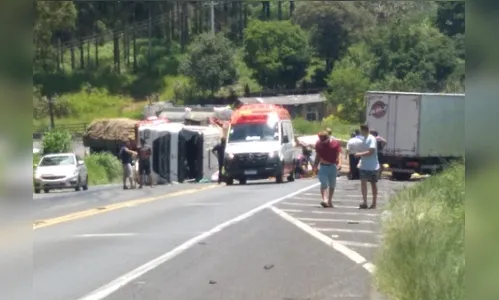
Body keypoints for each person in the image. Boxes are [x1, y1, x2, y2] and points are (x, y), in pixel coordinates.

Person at [313, 131, 342, 208]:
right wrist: (315, 165)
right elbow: (318, 155)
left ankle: (330, 200)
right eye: (320, 139)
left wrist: (339, 163)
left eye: (323, 140)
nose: (322, 142)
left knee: (332, 185)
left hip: (332, 166)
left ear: (328, 138)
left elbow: (339, 154)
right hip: (323, 166)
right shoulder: (318, 144)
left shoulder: (335, 144)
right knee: (324, 183)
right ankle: (325, 200)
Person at [354, 124, 380, 209]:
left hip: (373, 166)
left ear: (364, 130)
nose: (360, 132)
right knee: (363, 183)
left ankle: (374, 203)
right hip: (364, 165)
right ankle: (365, 202)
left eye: (361, 130)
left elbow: (371, 151)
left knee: (373, 184)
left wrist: (359, 154)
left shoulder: (371, 138)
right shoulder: (363, 138)